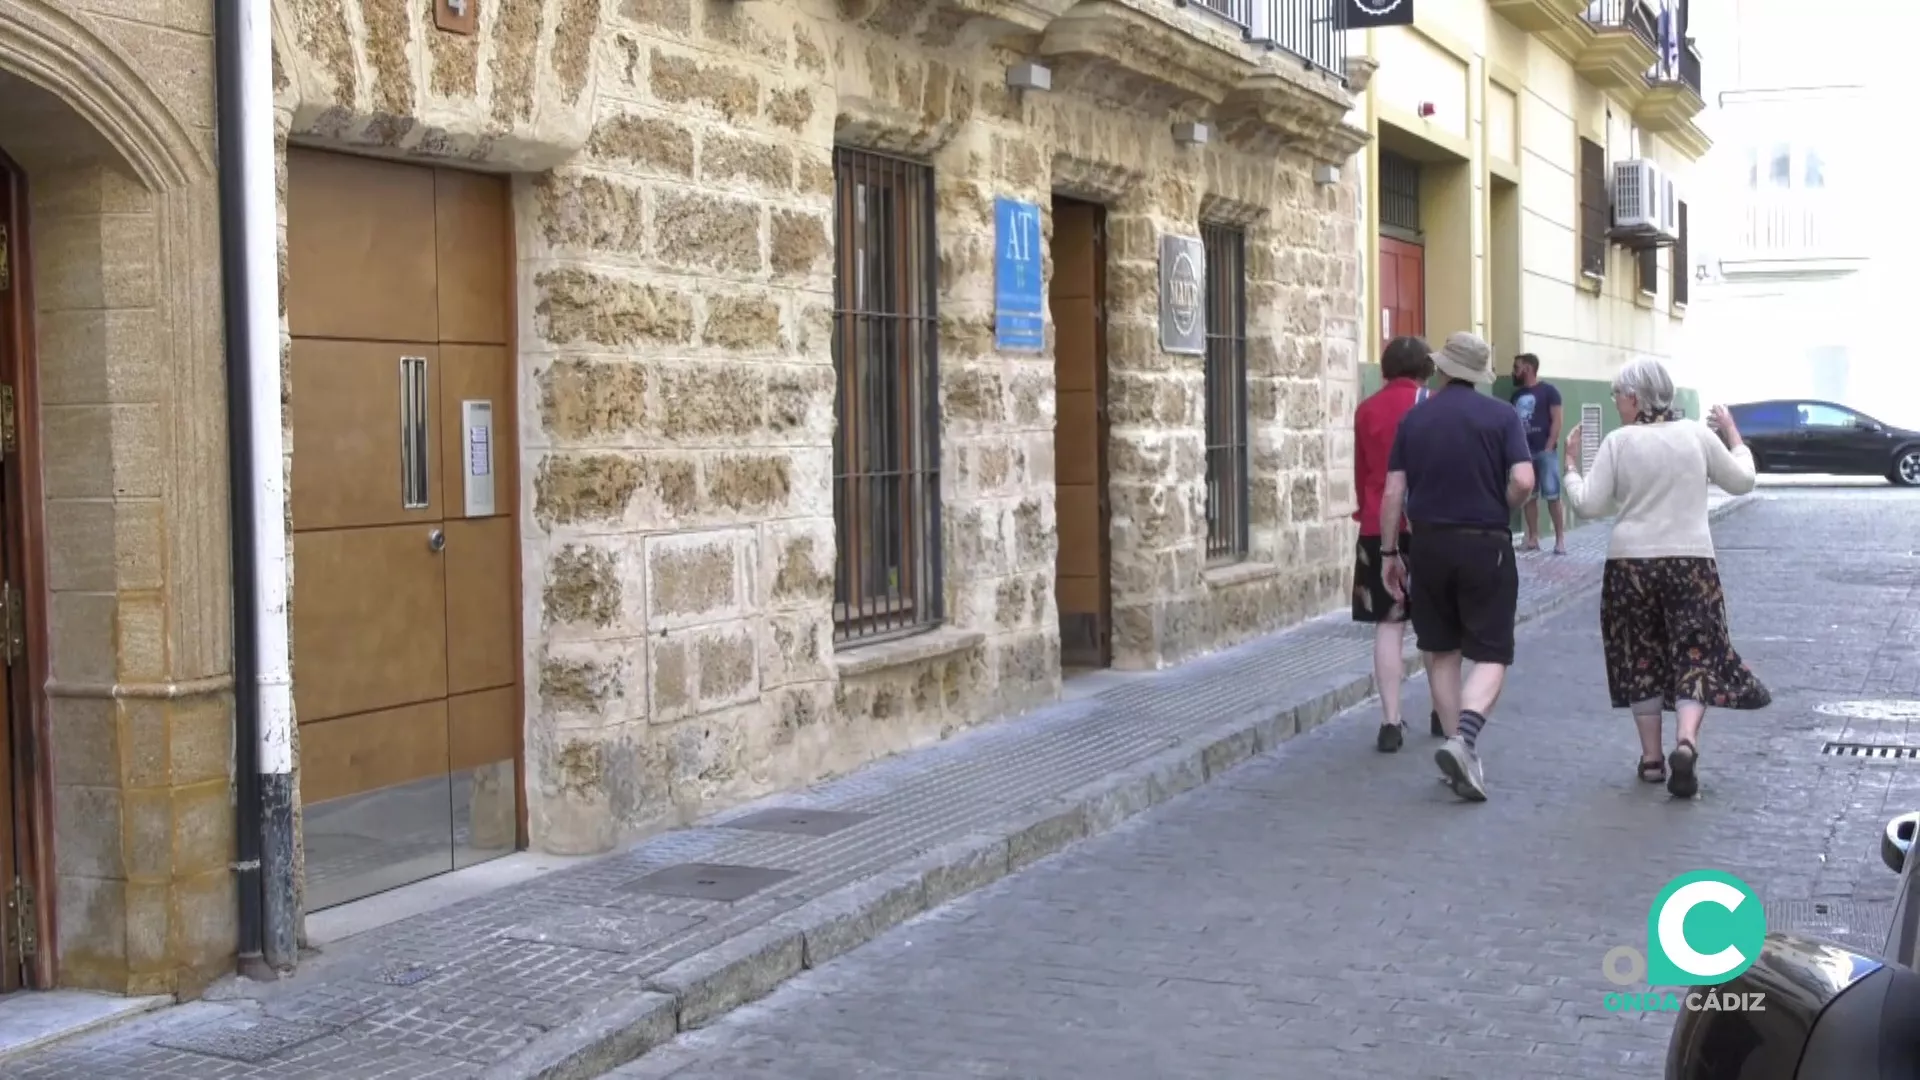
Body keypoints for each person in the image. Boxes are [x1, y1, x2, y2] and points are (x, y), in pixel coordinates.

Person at [1562, 358, 1769, 799]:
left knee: (1641, 656)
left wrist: (1570, 469)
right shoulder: (1696, 435)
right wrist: (1731, 431)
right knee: (1695, 653)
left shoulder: (1619, 442)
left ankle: (1652, 762)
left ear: (1635, 399)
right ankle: (1687, 742)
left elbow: (1589, 506)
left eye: (1617, 395)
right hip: (1690, 564)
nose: (1615, 403)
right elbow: (1743, 480)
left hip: (1630, 565)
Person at [1381, 332, 1535, 802]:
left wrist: (1390, 554)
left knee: (1441, 650)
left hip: (1428, 545)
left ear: (1444, 369)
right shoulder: (1502, 416)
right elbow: (1525, 481)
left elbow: (1392, 493)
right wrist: (1502, 504)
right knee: (1492, 651)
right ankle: (1464, 740)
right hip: (1484, 542)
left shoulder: (1415, 419)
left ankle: (1458, 753)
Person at [1352, 337, 1439, 752]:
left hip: (1376, 523)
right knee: (1438, 622)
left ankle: (1390, 721)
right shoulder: (1431, 404)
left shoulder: (1366, 409)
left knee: (1389, 625)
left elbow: (1362, 471)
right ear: (1425, 366)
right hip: (1426, 523)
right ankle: (1444, 710)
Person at [1509, 353, 1566, 555]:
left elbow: (1557, 419)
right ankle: (1533, 538)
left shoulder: (1549, 391)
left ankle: (1560, 540)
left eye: (1517, 367)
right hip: (1525, 453)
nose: (1513, 371)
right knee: (1529, 498)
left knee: (1552, 495)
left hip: (1545, 451)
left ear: (1528, 368)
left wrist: (1550, 445)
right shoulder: (1516, 396)